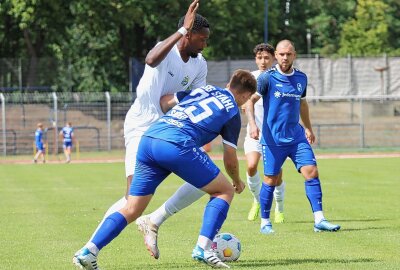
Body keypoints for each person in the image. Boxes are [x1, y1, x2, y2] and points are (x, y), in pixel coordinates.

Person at [73, 69, 257, 269]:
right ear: (246, 95)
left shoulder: (205, 90)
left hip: (150, 138)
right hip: (176, 144)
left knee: (131, 207)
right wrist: (237, 180)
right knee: (224, 190)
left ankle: (89, 250)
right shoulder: (232, 112)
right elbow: (230, 159)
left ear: (230, 83)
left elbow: (166, 101)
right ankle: (203, 248)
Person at [75, 0, 210, 261]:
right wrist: (181, 30)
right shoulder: (166, 50)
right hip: (141, 126)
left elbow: (188, 100)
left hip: (169, 129)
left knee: (208, 179)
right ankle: (90, 249)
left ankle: (155, 220)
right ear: (189, 34)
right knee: (131, 201)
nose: (205, 44)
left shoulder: (199, 64)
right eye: (202, 38)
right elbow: (150, 59)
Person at [247, 39, 340, 234]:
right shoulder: (267, 78)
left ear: (294, 55)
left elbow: (303, 104)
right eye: (281, 54)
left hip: (296, 137)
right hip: (273, 139)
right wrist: (253, 125)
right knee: (270, 180)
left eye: (288, 54)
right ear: (277, 56)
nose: (284, 57)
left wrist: (308, 128)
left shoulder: (301, 78)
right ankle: (265, 221)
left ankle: (319, 219)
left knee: (311, 172)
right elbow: (250, 102)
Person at [243, 43, 286, 223]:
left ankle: (280, 208)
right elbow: (245, 103)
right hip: (254, 133)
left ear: (273, 58)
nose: (263, 61)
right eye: (259, 58)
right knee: (251, 166)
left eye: (267, 58)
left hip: (274, 136)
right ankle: (257, 200)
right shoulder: (250, 79)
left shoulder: (280, 78)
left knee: (276, 174)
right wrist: (252, 124)